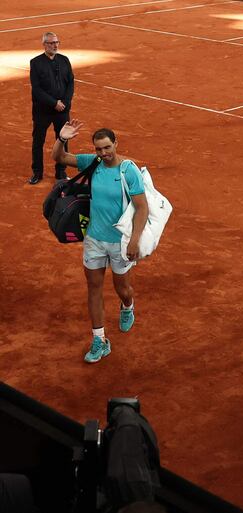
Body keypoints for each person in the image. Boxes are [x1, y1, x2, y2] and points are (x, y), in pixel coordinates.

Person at [52, 120, 148, 363]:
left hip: (120, 243)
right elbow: (60, 159)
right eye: (98, 149)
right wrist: (61, 139)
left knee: (121, 288)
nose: (103, 153)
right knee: (93, 288)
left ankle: (127, 306)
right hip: (94, 239)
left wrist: (134, 241)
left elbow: (142, 208)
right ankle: (99, 339)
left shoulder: (129, 170)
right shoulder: (92, 163)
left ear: (115, 143)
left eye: (107, 147)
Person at [29, 32, 74, 185]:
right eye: (51, 43)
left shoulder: (64, 60)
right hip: (43, 111)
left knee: (62, 140)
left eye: (56, 42)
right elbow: (37, 89)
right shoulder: (35, 63)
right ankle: (37, 172)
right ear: (44, 44)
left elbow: (71, 83)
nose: (55, 45)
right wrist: (54, 103)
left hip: (62, 110)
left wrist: (66, 102)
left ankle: (61, 172)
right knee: (38, 141)